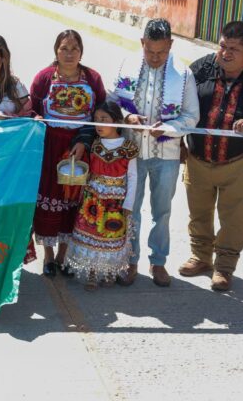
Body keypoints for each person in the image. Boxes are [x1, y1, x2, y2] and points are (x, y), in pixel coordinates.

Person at [179, 21, 243, 291]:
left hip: (238, 163)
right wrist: (178, 142)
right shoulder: (201, 69)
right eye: (222, 46)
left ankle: (224, 267)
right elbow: (179, 107)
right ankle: (200, 257)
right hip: (197, 159)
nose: (225, 53)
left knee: (234, 219)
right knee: (198, 213)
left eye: (234, 49)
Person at [111, 19, 199, 287]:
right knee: (131, 208)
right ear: (142, 43)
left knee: (162, 211)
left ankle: (158, 261)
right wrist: (127, 117)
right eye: (150, 51)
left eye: (161, 52)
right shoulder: (127, 65)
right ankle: (130, 260)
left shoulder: (183, 75)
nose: (155, 57)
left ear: (171, 45)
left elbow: (191, 116)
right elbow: (112, 102)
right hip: (132, 152)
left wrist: (169, 128)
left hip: (167, 154)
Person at [30, 30, 106, 277]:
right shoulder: (44, 78)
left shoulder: (93, 79)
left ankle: (64, 255)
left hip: (79, 149)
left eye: (75, 48)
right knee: (48, 199)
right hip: (50, 148)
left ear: (81, 52)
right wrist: (37, 120)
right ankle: (48, 255)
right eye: (64, 48)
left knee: (72, 201)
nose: (69, 53)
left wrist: (84, 141)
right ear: (56, 50)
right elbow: (31, 109)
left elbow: (100, 115)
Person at [65, 101, 139, 291]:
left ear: (117, 121)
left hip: (115, 201)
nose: (99, 124)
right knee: (92, 234)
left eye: (104, 119)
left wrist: (129, 204)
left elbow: (132, 177)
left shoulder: (128, 147)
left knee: (111, 237)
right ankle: (92, 272)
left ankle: (109, 272)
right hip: (93, 199)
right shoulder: (95, 144)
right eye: (96, 119)